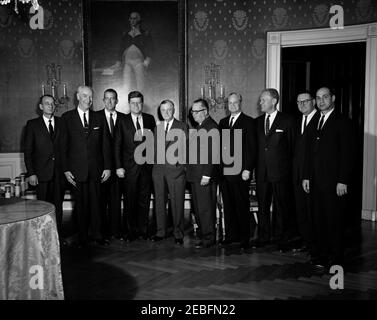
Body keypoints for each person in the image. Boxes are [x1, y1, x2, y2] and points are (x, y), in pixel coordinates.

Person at [303, 87, 355, 269]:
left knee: (334, 220)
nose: (321, 101)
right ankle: (321, 255)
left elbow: (347, 154)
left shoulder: (342, 122)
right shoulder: (314, 120)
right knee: (318, 220)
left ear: (332, 98)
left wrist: (343, 180)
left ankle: (336, 256)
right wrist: (307, 176)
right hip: (315, 181)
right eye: (318, 98)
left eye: (325, 97)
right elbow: (309, 153)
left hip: (334, 183)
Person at [61, 85, 112, 247]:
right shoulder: (67, 118)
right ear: (77, 97)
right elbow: (63, 146)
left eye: (90, 97)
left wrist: (108, 167)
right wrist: (66, 169)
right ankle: (82, 236)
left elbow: (106, 145)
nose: (88, 100)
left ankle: (98, 235)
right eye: (84, 96)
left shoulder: (99, 118)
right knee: (81, 206)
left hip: (97, 170)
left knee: (97, 204)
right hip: (77, 171)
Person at [255, 88, 296, 251]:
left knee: (281, 206)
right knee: (262, 206)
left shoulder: (288, 120)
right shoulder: (256, 122)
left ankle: (281, 238)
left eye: (263, 100)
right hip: (261, 172)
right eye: (260, 100)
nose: (260, 103)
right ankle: (263, 237)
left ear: (274, 101)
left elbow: (293, 148)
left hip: (281, 173)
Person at [114, 90, 156, 241]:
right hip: (129, 168)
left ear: (142, 104)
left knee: (144, 200)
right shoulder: (122, 120)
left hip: (146, 168)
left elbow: (153, 145)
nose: (136, 105)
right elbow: (117, 144)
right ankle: (129, 232)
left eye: (139, 102)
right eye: (133, 103)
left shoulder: (150, 119)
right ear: (129, 104)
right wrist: (118, 166)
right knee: (130, 200)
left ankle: (143, 230)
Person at [24, 94, 66, 240]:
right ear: (41, 107)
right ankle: (42, 237)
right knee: (42, 206)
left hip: (59, 174)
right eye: (47, 103)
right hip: (41, 174)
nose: (51, 105)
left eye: (52, 103)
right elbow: (28, 152)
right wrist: (31, 173)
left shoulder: (62, 123)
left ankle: (57, 237)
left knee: (58, 207)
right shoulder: (32, 125)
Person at [219, 92, 257, 250]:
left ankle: (244, 238)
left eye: (235, 102)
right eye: (230, 103)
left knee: (241, 205)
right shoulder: (222, 122)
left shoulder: (249, 122)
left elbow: (252, 148)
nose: (232, 105)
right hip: (225, 172)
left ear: (240, 103)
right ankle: (231, 236)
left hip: (241, 172)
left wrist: (248, 169)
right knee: (228, 205)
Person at [151, 100, 187, 245]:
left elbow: (186, 151)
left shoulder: (182, 126)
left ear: (174, 110)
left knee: (177, 203)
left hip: (176, 172)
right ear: (160, 111)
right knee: (159, 202)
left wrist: (180, 168)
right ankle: (160, 232)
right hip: (159, 172)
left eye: (169, 109)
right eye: (163, 110)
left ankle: (178, 233)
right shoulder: (157, 129)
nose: (166, 112)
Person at [186, 98, 219, 248]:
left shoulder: (211, 127)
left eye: (196, 111)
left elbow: (213, 153)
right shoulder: (201, 126)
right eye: (192, 111)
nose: (193, 114)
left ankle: (209, 238)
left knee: (205, 208)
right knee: (199, 208)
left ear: (205, 111)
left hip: (203, 176)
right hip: (196, 175)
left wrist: (206, 175)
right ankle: (205, 236)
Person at [97, 88, 126, 241]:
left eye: (112, 98)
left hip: (120, 167)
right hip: (102, 168)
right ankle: (102, 231)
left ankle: (116, 230)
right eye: (106, 98)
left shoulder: (124, 118)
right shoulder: (95, 117)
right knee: (101, 201)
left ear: (117, 101)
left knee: (116, 200)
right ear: (103, 100)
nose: (109, 101)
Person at [292, 91, 320, 254]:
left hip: (314, 176)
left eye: (305, 101)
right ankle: (306, 241)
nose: (302, 104)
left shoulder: (320, 120)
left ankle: (316, 244)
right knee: (301, 211)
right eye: (299, 102)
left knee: (314, 212)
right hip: (297, 175)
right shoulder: (296, 122)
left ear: (313, 102)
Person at [104, 11, 152, 93]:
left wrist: (148, 59)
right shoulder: (125, 34)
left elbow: (150, 47)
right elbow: (121, 48)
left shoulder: (145, 33)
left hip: (139, 62)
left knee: (140, 85)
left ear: (139, 20)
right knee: (126, 85)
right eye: (131, 18)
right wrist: (118, 61)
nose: (132, 20)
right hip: (127, 62)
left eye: (135, 18)